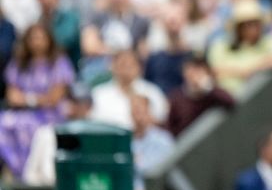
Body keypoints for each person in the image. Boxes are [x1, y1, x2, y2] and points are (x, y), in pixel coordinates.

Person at [0, 24, 74, 179]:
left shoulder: (59, 62)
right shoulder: (19, 63)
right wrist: (38, 99)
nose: (37, 42)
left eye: (40, 37)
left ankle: (28, 176)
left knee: (30, 126)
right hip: (21, 114)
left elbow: (54, 99)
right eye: (33, 38)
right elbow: (12, 96)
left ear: (49, 39)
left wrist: (27, 99)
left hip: (51, 116)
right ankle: (13, 173)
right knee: (4, 122)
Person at [207, 0, 272, 96]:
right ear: (238, 27)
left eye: (256, 23)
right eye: (247, 24)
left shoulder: (271, 41)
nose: (253, 28)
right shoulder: (221, 46)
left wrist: (252, 69)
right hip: (229, 100)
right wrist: (243, 72)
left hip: (263, 99)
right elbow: (215, 70)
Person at [90, 49, 169, 131]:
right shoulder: (99, 93)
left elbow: (161, 120)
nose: (127, 69)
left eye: (131, 65)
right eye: (123, 64)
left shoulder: (152, 92)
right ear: (113, 66)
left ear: (140, 68)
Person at [165, 56, 234, 138]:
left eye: (198, 70)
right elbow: (171, 128)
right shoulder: (176, 97)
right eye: (191, 70)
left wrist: (207, 87)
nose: (194, 75)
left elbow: (230, 102)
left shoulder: (213, 91)